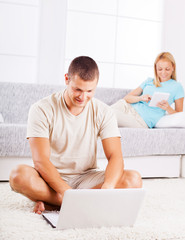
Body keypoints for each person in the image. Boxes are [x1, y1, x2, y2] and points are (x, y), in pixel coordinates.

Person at [9, 56, 142, 215]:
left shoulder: (104, 111)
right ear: (67, 79)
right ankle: (76, 202)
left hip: (87, 178)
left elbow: (115, 156)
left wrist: (107, 189)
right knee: (18, 175)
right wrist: (66, 191)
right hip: (50, 179)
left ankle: (53, 204)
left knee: (134, 179)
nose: (83, 97)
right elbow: (40, 161)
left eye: (89, 91)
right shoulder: (41, 109)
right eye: (77, 89)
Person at [111, 52, 185, 128]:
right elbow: (126, 98)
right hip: (127, 107)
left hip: (141, 120)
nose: (163, 73)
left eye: (167, 69)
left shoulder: (177, 87)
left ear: (173, 67)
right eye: (160, 69)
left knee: (108, 115)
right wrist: (140, 98)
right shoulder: (149, 81)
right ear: (155, 69)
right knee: (102, 112)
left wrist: (168, 108)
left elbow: (179, 115)